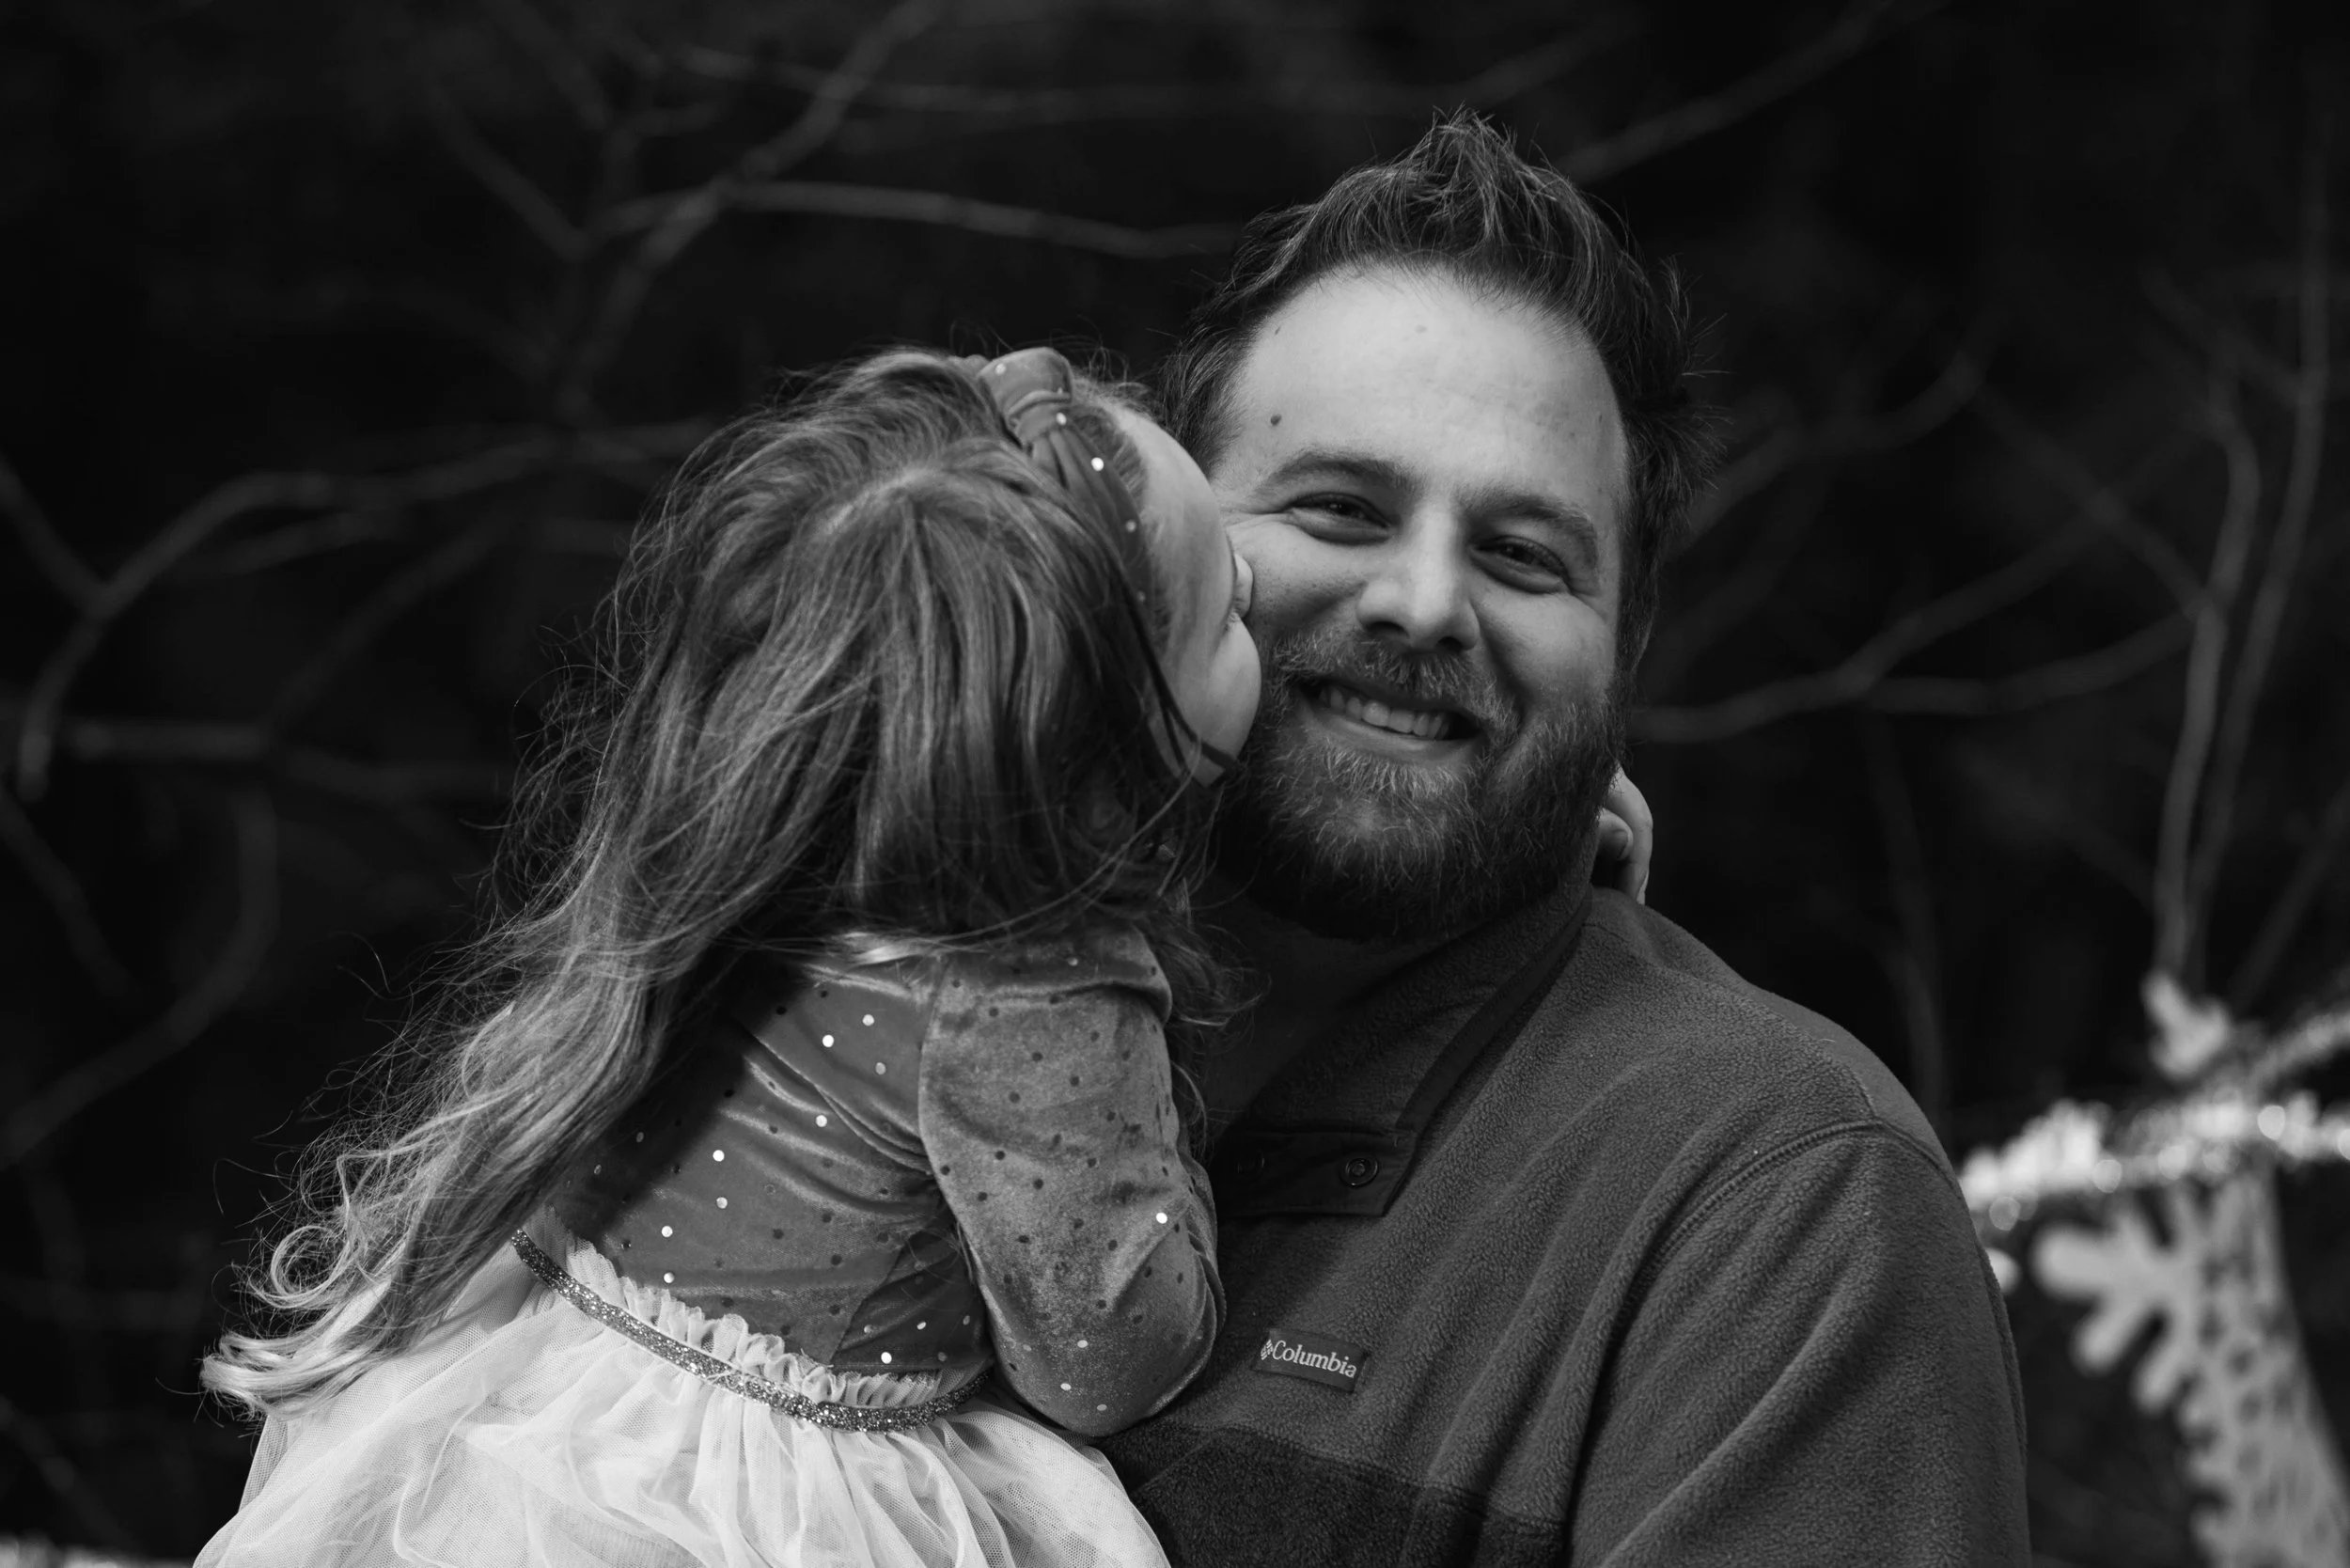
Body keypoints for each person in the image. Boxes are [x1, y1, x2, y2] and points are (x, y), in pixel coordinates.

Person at [1093, 116, 2032, 1566]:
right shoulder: (869, 999)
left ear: (1623, 647)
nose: (1422, 603)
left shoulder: (1773, 1212)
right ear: (1153, 542)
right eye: (1340, 507)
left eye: (1523, 556)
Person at [194, 347, 1253, 1568]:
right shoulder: (1036, 988)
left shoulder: (745, 839)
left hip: (535, 1422)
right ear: (1107, 740)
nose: (1261, 610)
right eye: (1231, 608)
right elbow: (1103, 1356)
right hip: (780, 1517)